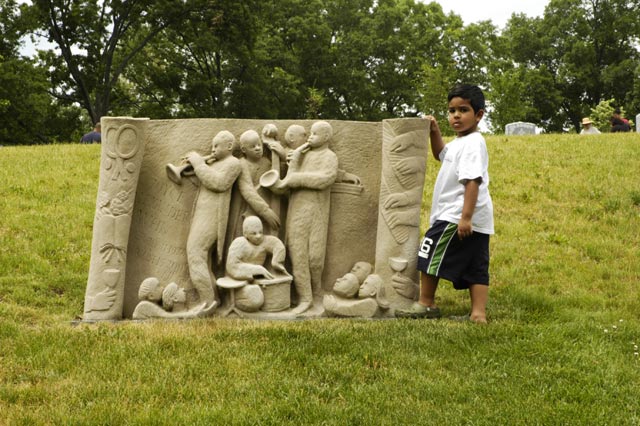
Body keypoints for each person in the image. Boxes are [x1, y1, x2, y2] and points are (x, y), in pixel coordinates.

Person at [395, 84, 494, 323]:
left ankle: (426, 303)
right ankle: (478, 314)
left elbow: (472, 181)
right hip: (479, 219)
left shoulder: (472, 143)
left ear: (479, 115)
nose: (456, 116)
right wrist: (434, 132)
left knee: (428, 250)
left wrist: (465, 217)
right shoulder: (461, 142)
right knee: (475, 266)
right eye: (451, 111)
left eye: (463, 110)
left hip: (456, 214)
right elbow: (441, 154)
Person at [273, 121, 339, 314]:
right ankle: (305, 299)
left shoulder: (329, 157)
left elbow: (326, 178)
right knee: (298, 255)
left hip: (317, 214)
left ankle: (317, 293)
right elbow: (290, 179)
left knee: (315, 259)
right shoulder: (302, 155)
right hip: (297, 213)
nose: (310, 136)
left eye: (315, 133)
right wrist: (295, 159)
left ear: (326, 137)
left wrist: (298, 178)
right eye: (310, 133)